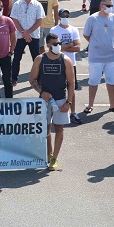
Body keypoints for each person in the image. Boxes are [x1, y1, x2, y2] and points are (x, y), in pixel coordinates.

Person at [28, 33, 75, 171]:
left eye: (59, 44)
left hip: (61, 100)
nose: (58, 46)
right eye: (55, 44)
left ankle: (55, 157)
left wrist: (69, 103)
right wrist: (42, 93)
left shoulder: (66, 60)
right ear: (48, 45)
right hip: (44, 101)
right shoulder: (40, 59)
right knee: (46, 128)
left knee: (59, 128)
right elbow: (32, 80)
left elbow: (71, 83)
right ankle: (49, 153)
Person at [82, 0, 114, 115]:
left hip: (112, 56)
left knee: (111, 81)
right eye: (108, 5)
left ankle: (112, 105)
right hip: (96, 57)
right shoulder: (92, 19)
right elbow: (86, 35)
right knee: (93, 81)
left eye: (111, 5)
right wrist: (97, 44)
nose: (110, 7)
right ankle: (90, 105)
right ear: (101, 6)